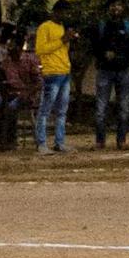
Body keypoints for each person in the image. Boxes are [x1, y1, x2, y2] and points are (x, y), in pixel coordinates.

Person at [87, 0, 129, 150]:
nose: (116, 8)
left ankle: (121, 140)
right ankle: (100, 141)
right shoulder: (101, 25)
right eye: (113, 5)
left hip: (123, 70)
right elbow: (93, 45)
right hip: (105, 70)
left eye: (118, 5)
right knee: (101, 107)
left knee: (123, 107)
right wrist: (103, 55)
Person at [30, 11, 75, 155]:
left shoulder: (63, 28)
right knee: (45, 110)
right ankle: (41, 143)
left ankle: (59, 142)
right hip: (52, 72)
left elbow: (64, 50)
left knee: (62, 111)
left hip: (65, 71)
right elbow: (41, 49)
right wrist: (62, 40)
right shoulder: (45, 27)